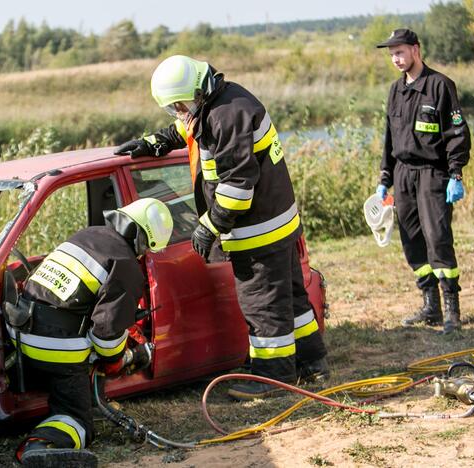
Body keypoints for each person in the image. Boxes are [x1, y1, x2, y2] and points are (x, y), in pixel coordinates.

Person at [114, 55, 328, 400]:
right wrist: (158, 142)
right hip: (276, 222)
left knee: (262, 305)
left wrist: (208, 226)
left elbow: (238, 186)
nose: (178, 112)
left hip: (258, 230)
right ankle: (311, 361)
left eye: (179, 105)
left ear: (196, 93)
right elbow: (190, 127)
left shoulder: (227, 115)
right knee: (289, 298)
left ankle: (272, 378)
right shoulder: (220, 101)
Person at [12, 197, 173, 467]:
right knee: (78, 420)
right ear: (142, 240)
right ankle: (39, 446)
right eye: (147, 248)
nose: (144, 255)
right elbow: (107, 333)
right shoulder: (126, 264)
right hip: (57, 347)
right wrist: (117, 360)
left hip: (21, 332)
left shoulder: (86, 235)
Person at [375, 29, 471, 334]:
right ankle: (430, 305)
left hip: (433, 173)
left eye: (400, 52)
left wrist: (455, 174)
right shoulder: (394, 91)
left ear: (416, 49)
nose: (396, 59)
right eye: (392, 54)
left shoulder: (440, 86)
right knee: (412, 240)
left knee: (438, 237)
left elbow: (457, 134)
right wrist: (384, 177)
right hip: (403, 175)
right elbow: (389, 138)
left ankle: (451, 309)